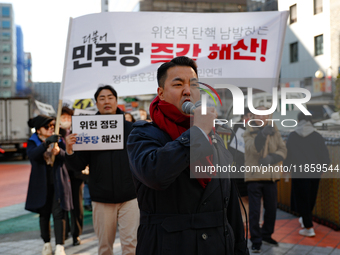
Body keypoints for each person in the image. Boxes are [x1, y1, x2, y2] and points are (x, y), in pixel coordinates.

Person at [127, 56, 249, 255]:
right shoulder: (143, 134)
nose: (187, 90)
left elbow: (231, 206)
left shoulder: (213, 137)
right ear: (161, 93)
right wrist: (198, 133)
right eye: (178, 84)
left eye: (193, 84)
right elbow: (154, 174)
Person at [65, 85, 138, 255]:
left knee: (131, 246)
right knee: (105, 248)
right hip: (101, 198)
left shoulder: (131, 129)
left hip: (130, 197)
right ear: (96, 103)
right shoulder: (86, 129)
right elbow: (78, 165)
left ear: (116, 101)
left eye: (110, 97)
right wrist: (69, 150)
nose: (106, 101)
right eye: (102, 98)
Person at [25, 115, 72, 255]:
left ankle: (60, 245)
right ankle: (46, 243)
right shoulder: (33, 141)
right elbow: (32, 156)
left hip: (58, 182)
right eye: (47, 126)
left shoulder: (58, 140)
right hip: (41, 184)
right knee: (44, 214)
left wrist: (59, 152)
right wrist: (45, 144)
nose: (51, 128)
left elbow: (67, 157)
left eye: (52, 126)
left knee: (59, 214)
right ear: (38, 130)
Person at [243, 106, 287, 253]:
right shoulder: (248, 131)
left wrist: (272, 158)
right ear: (253, 116)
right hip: (254, 176)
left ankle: (267, 234)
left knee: (271, 209)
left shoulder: (274, 130)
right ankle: (255, 240)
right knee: (255, 211)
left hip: (271, 176)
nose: (262, 118)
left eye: (265, 115)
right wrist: (261, 135)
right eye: (259, 115)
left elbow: (283, 149)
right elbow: (252, 148)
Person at [284, 112, 330, 237]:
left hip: (299, 172)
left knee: (301, 198)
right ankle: (306, 220)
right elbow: (325, 157)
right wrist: (322, 169)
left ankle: (308, 227)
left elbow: (288, 155)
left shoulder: (293, 136)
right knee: (310, 198)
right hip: (315, 172)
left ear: (298, 121)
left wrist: (286, 169)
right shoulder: (317, 136)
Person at [59, 106, 85, 246]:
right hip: (62, 173)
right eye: (63, 117)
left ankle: (76, 234)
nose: (66, 120)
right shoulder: (56, 133)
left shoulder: (79, 130)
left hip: (76, 174)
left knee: (77, 204)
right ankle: (65, 231)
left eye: (68, 117)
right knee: (62, 203)